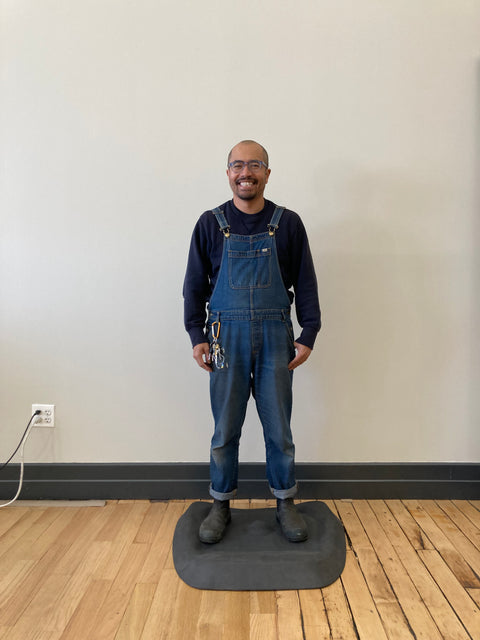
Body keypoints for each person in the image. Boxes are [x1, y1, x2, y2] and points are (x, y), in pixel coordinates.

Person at [183, 140, 321, 544]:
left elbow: (307, 283)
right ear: (228, 172)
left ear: (267, 172)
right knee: (225, 429)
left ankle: (285, 502)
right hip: (225, 338)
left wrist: (308, 332)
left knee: (279, 429)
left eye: (255, 165)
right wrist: (196, 335)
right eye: (238, 165)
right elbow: (193, 287)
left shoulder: (288, 223)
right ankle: (220, 504)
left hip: (277, 336)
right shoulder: (210, 224)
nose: (246, 172)